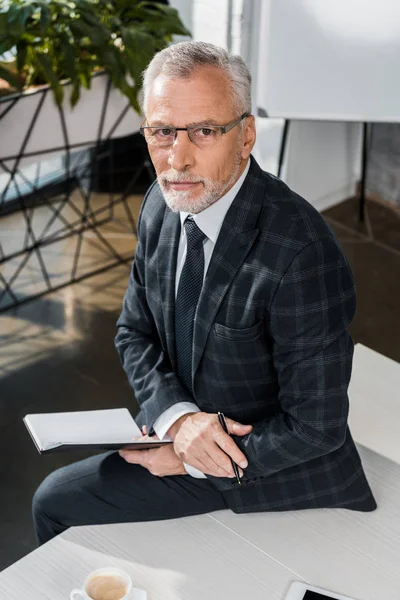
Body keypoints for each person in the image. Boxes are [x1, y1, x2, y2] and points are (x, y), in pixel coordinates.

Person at [32, 41, 376, 545]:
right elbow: (135, 332)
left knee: (54, 501)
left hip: (267, 460)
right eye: (163, 131)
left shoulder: (300, 253)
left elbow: (315, 429)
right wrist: (180, 418)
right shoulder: (160, 201)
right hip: (185, 426)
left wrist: (189, 458)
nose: (178, 157)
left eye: (206, 131)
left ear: (246, 137)